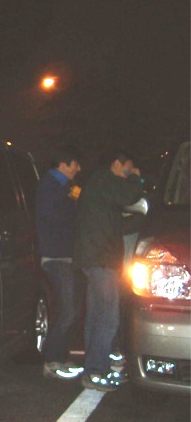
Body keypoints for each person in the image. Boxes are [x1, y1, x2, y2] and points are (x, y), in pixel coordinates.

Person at [74, 149, 144, 391]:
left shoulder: (99, 185)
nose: (128, 173)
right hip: (101, 260)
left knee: (97, 315)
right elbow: (130, 194)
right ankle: (96, 370)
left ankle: (94, 368)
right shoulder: (106, 180)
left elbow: (116, 221)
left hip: (96, 259)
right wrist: (136, 177)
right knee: (107, 317)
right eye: (127, 168)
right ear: (116, 164)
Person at [36, 146, 85, 380]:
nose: (78, 169)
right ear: (63, 164)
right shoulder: (50, 185)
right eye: (75, 164)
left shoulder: (63, 186)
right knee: (67, 309)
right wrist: (73, 201)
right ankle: (52, 360)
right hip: (56, 255)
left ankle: (60, 357)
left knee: (69, 308)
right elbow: (57, 216)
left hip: (63, 254)